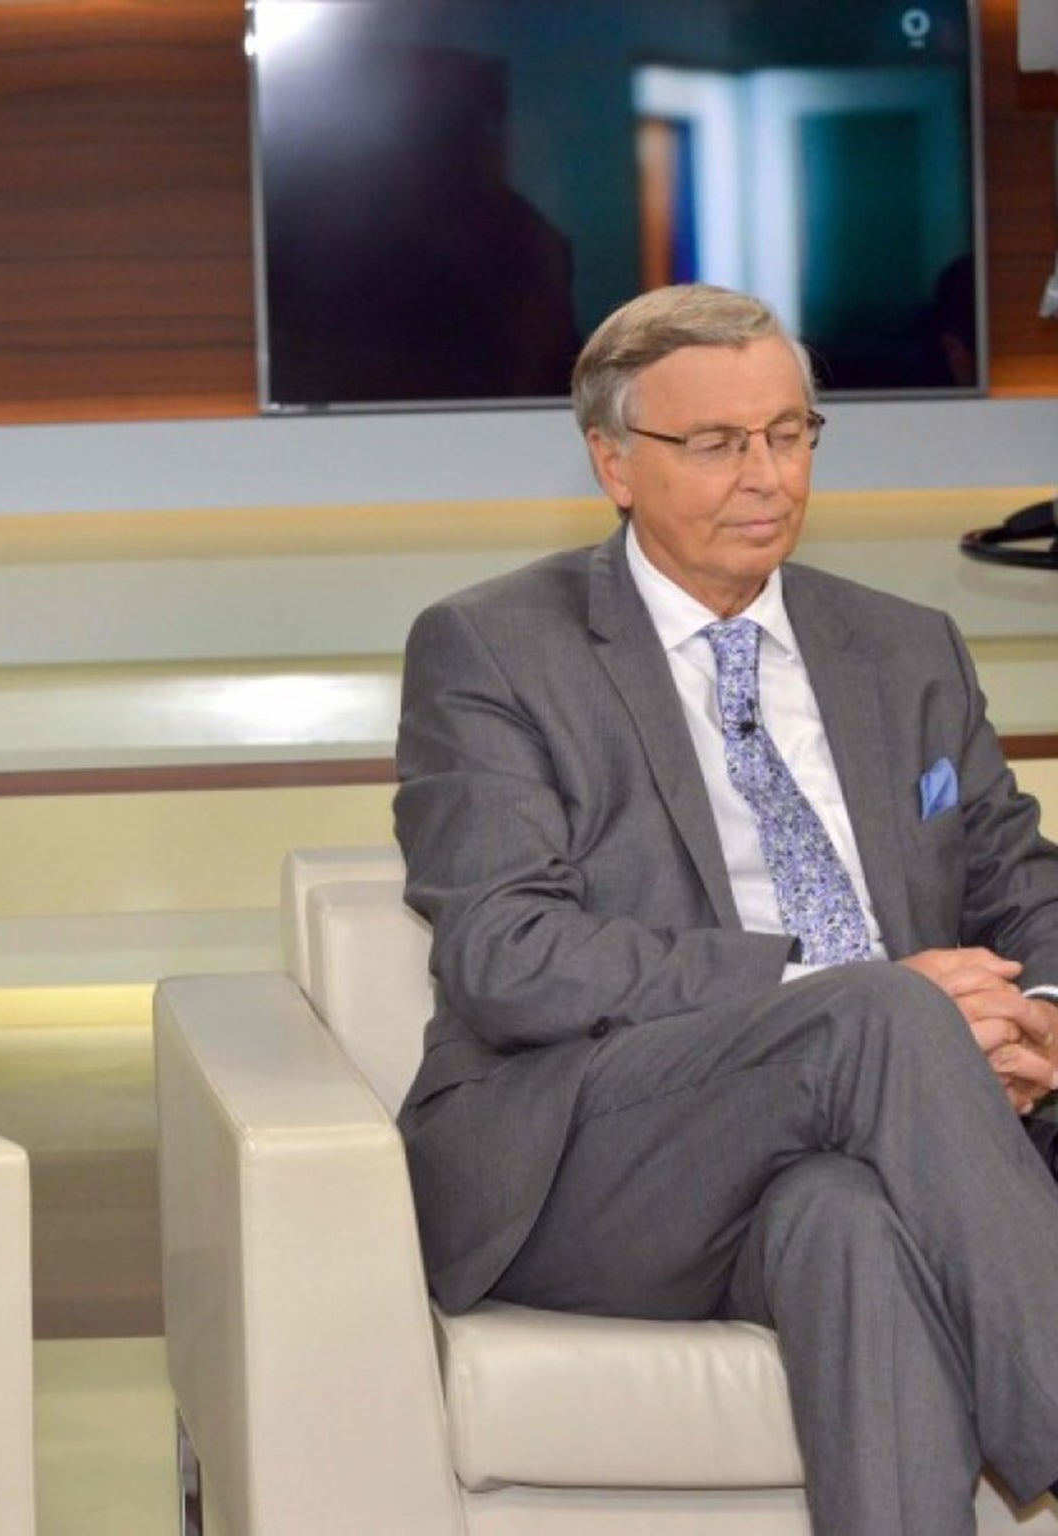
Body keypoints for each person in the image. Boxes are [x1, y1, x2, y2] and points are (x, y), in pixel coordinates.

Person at [392, 283, 1058, 1535]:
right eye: (713, 443)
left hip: (853, 1149)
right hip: (600, 1156)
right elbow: (504, 953)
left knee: (845, 1224)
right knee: (874, 1005)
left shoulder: (902, 646)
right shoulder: (489, 649)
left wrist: (1037, 1013)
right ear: (611, 463)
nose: (764, 475)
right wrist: (852, 1000)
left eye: (789, 433)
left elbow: (1020, 883)